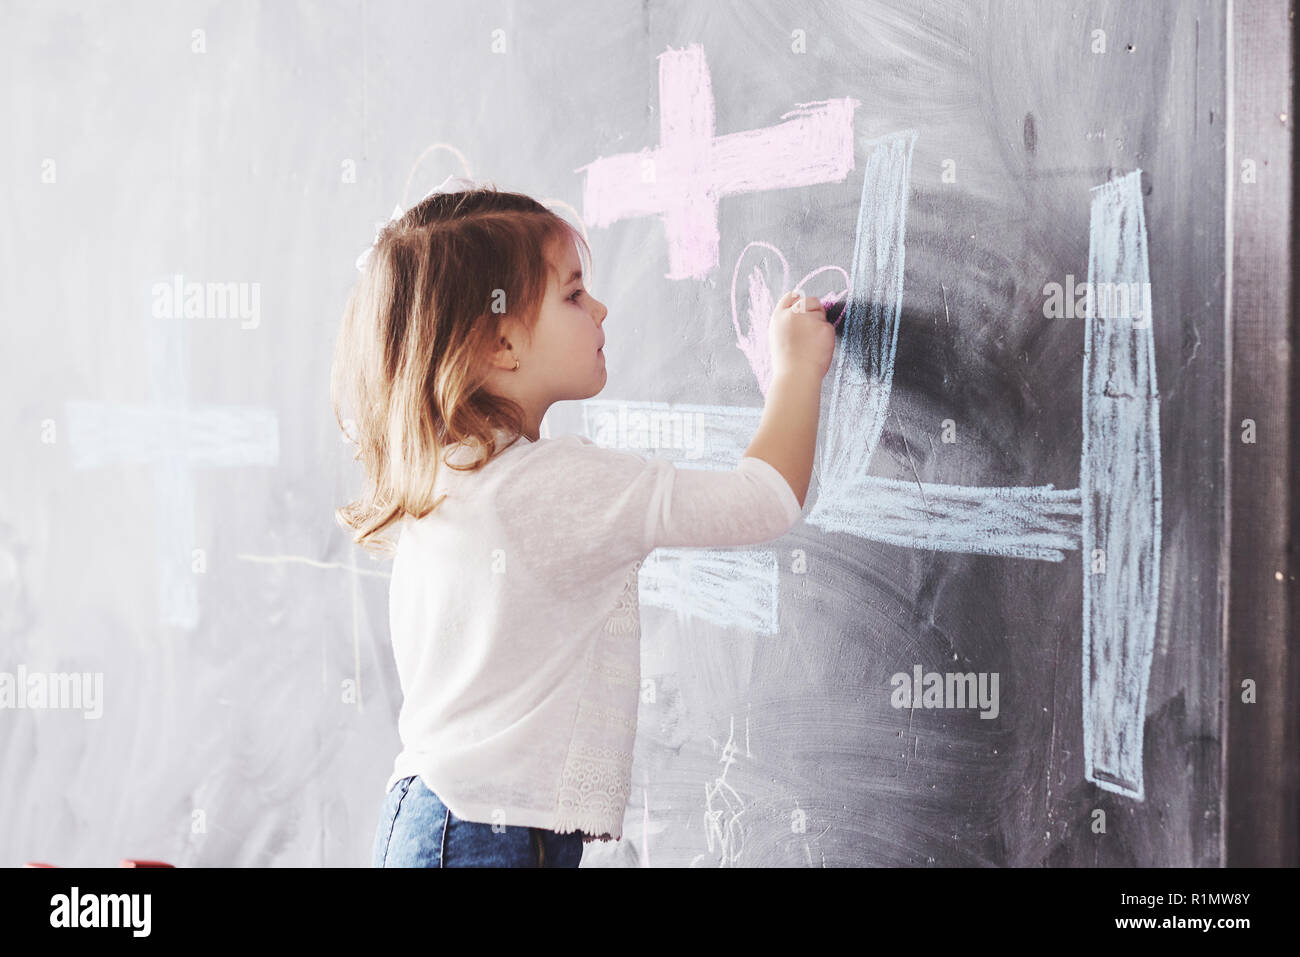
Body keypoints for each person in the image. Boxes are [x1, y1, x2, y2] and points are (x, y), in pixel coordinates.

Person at [332, 179, 834, 867]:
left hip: (437, 820)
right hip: (481, 834)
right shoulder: (552, 485)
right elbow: (765, 498)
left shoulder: (446, 478)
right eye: (572, 294)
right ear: (502, 341)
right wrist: (797, 371)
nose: (599, 307)